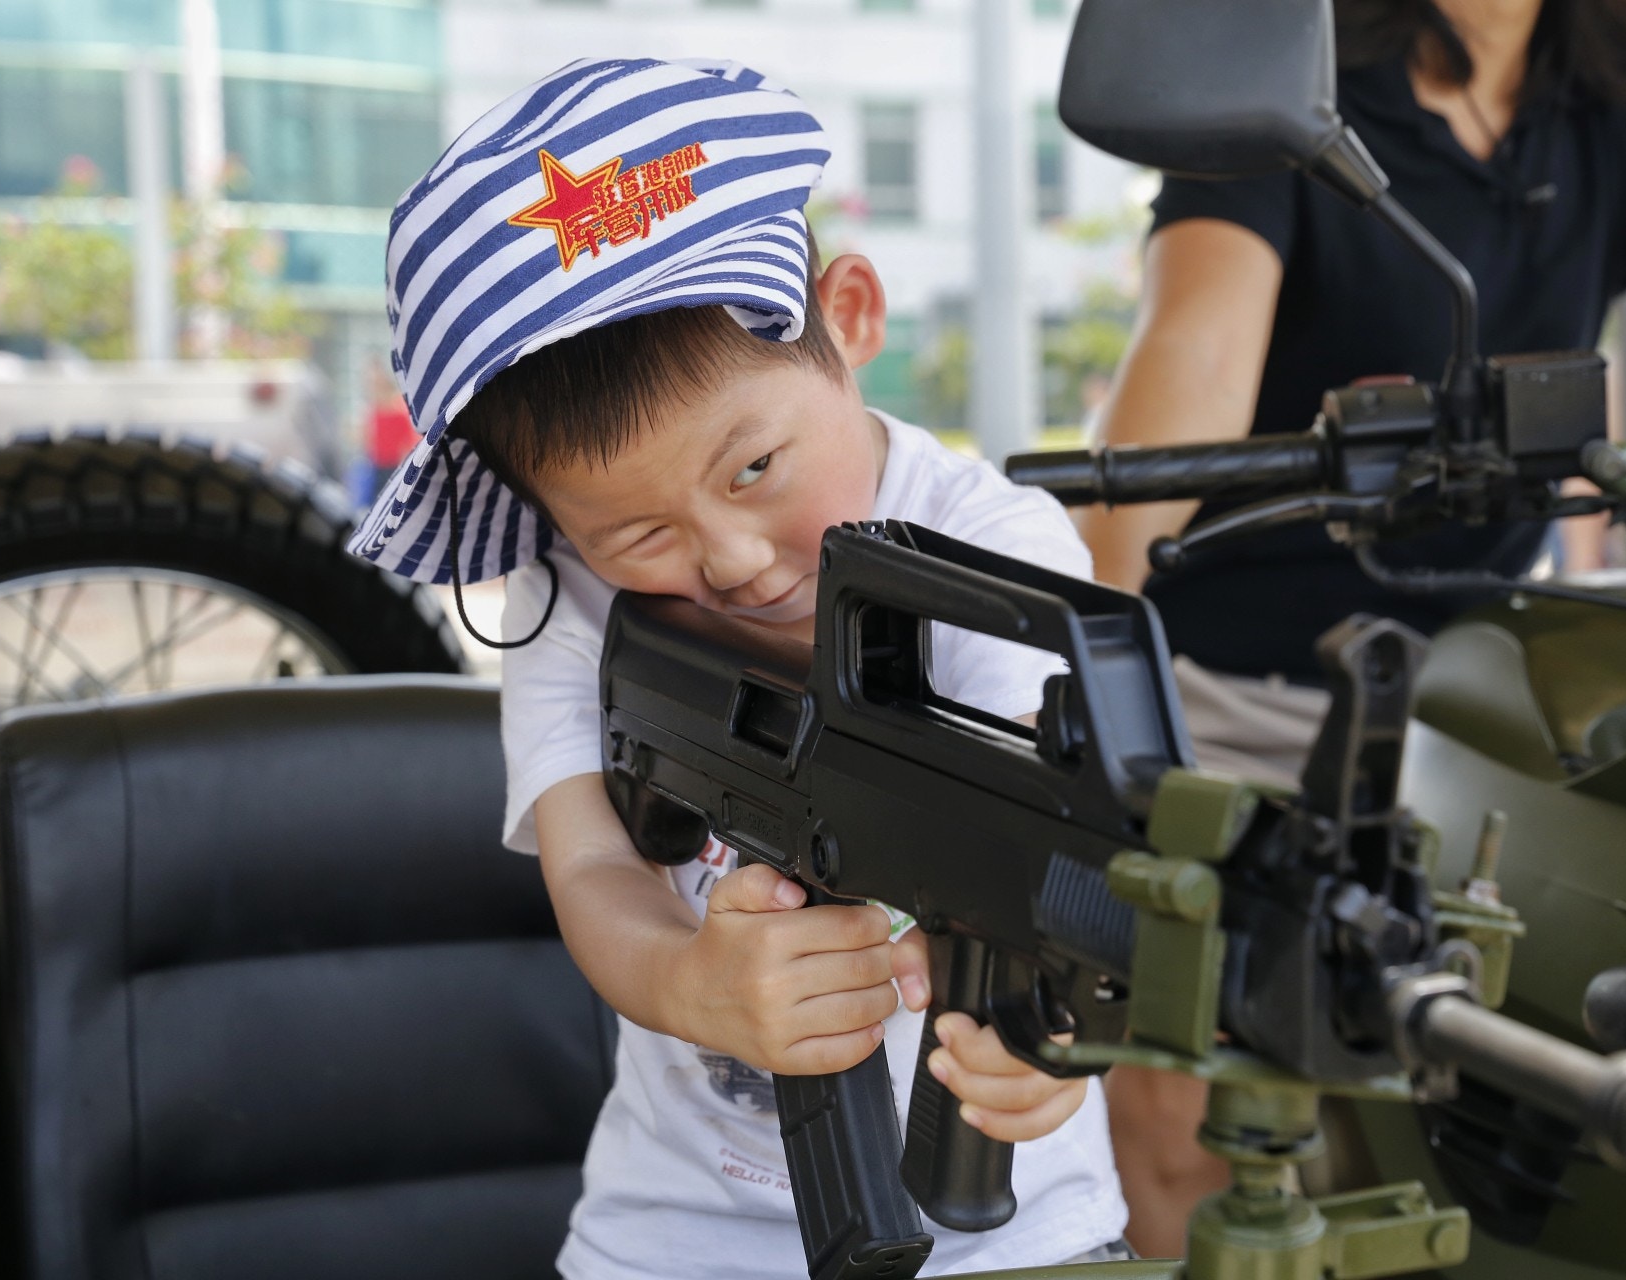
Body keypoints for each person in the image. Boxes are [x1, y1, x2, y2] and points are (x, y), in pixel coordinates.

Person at [1079, 0, 1626, 1256]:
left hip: (1469, 710)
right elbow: (1192, 362)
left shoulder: (1599, 127)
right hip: (1231, 701)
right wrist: (1087, 657)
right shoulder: (1284, 94)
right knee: (1190, 1107)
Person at [348, 59, 1130, 1280]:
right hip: (674, 1236)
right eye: (634, 531)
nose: (729, 557)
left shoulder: (1001, 559)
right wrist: (690, 981)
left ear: (848, 318)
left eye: (754, 467)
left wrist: (1051, 1041)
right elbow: (594, 865)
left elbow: (1079, 849)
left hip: (1015, 1230)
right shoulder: (572, 600)